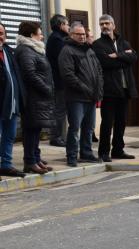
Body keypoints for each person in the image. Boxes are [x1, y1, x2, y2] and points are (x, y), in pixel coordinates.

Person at [92, 14, 137, 162]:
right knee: (107, 123)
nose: (104, 26)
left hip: (125, 89)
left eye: (107, 23)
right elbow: (105, 63)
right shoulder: (98, 45)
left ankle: (118, 150)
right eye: (101, 24)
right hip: (109, 90)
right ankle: (103, 152)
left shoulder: (123, 42)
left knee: (121, 122)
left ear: (113, 25)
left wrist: (116, 55)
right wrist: (124, 57)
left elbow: (134, 58)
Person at [59, 23, 103, 167]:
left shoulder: (89, 51)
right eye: (79, 34)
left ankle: (86, 153)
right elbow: (68, 75)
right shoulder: (67, 51)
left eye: (84, 34)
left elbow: (98, 71)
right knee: (74, 128)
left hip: (91, 97)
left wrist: (99, 89)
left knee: (89, 128)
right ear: (71, 35)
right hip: (76, 98)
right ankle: (71, 156)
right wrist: (85, 89)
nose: (82, 36)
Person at [15, 21, 55, 174]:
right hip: (32, 98)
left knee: (36, 129)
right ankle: (30, 162)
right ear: (32, 35)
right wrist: (46, 88)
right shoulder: (25, 50)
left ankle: (36, 158)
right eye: (40, 33)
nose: (42, 35)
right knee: (31, 130)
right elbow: (29, 74)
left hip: (38, 97)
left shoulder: (33, 49)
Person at [0, 22, 26, 179]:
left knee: (9, 135)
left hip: (11, 102)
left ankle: (6, 165)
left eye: (1, 33)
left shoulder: (9, 52)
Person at [45, 14, 69, 147]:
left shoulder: (58, 38)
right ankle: (56, 137)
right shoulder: (57, 39)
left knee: (60, 109)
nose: (68, 26)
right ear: (61, 25)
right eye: (66, 24)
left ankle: (59, 136)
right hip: (59, 81)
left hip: (59, 80)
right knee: (59, 110)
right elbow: (64, 60)